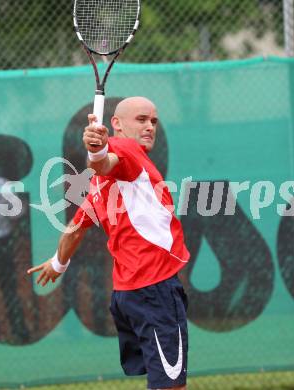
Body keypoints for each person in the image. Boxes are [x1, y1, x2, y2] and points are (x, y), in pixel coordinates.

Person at [27, 97, 190, 390]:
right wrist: (99, 148)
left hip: (128, 296)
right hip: (154, 290)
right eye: (141, 119)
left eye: (153, 121)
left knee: (162, 380)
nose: (150, 127)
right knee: (170, 385)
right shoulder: (127, 151)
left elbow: (75, 228)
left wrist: (57, 262)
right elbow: (105, 161)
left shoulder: (101, 187)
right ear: (116, 124)